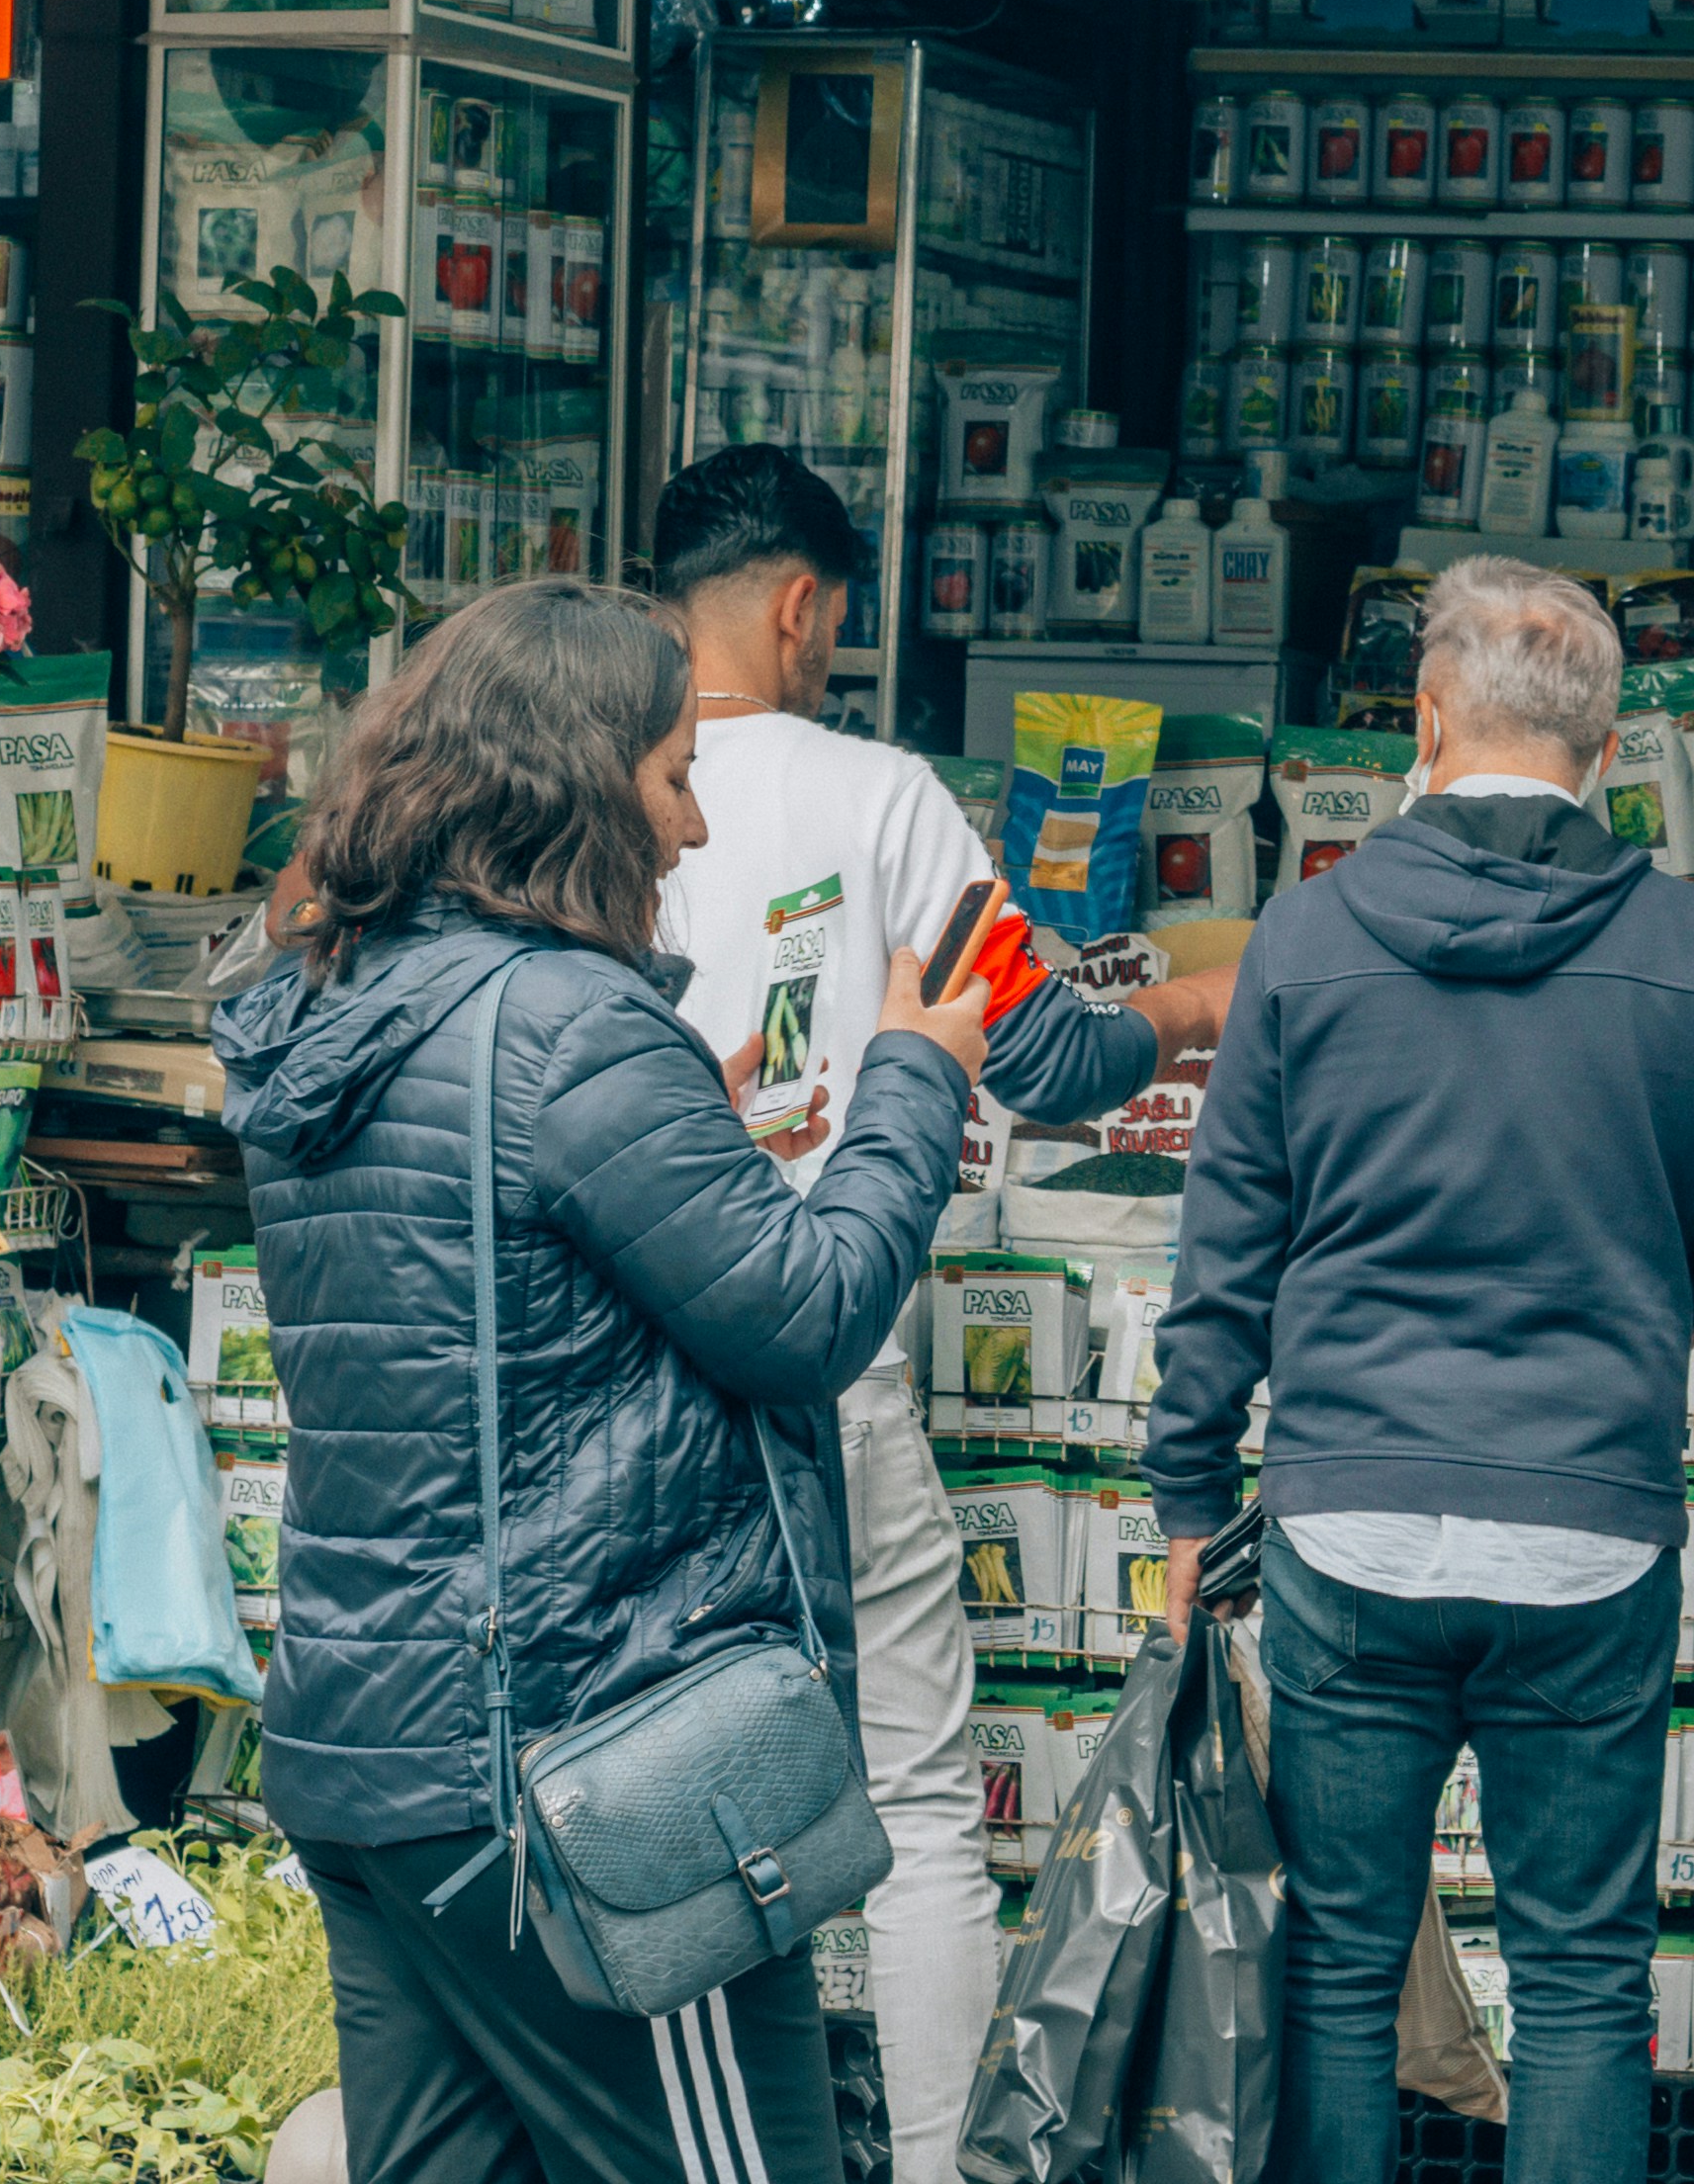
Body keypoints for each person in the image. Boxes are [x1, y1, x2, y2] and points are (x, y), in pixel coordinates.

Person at [222, 574, 991, 2184]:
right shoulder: (569, 1030)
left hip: (379, 1767)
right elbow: (806, 1313)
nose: (694, 829)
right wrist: (916, 1081)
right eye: (673, 777)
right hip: (584, 1784)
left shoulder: (327, 1008)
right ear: (579, 784)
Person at [1147, 557, 1694, 2184]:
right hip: (1587, 1527)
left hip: (1351, 1524)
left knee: (1335, 1966)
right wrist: (1643, 1291)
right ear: (1609, 744)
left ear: (1426, 721)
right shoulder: (1692, 940)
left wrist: (1189, 1499)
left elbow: (1223, 1250)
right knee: (1581, 1982)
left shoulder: (1307, 937)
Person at [641, 443, 1235, 2184]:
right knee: (910, 1801)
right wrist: (1208, 1000)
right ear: (802, 602)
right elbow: (1042, 1054)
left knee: (663, 1784)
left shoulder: (577, 775)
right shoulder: (885, 797)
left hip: (626, 1369)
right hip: (829, 1359)